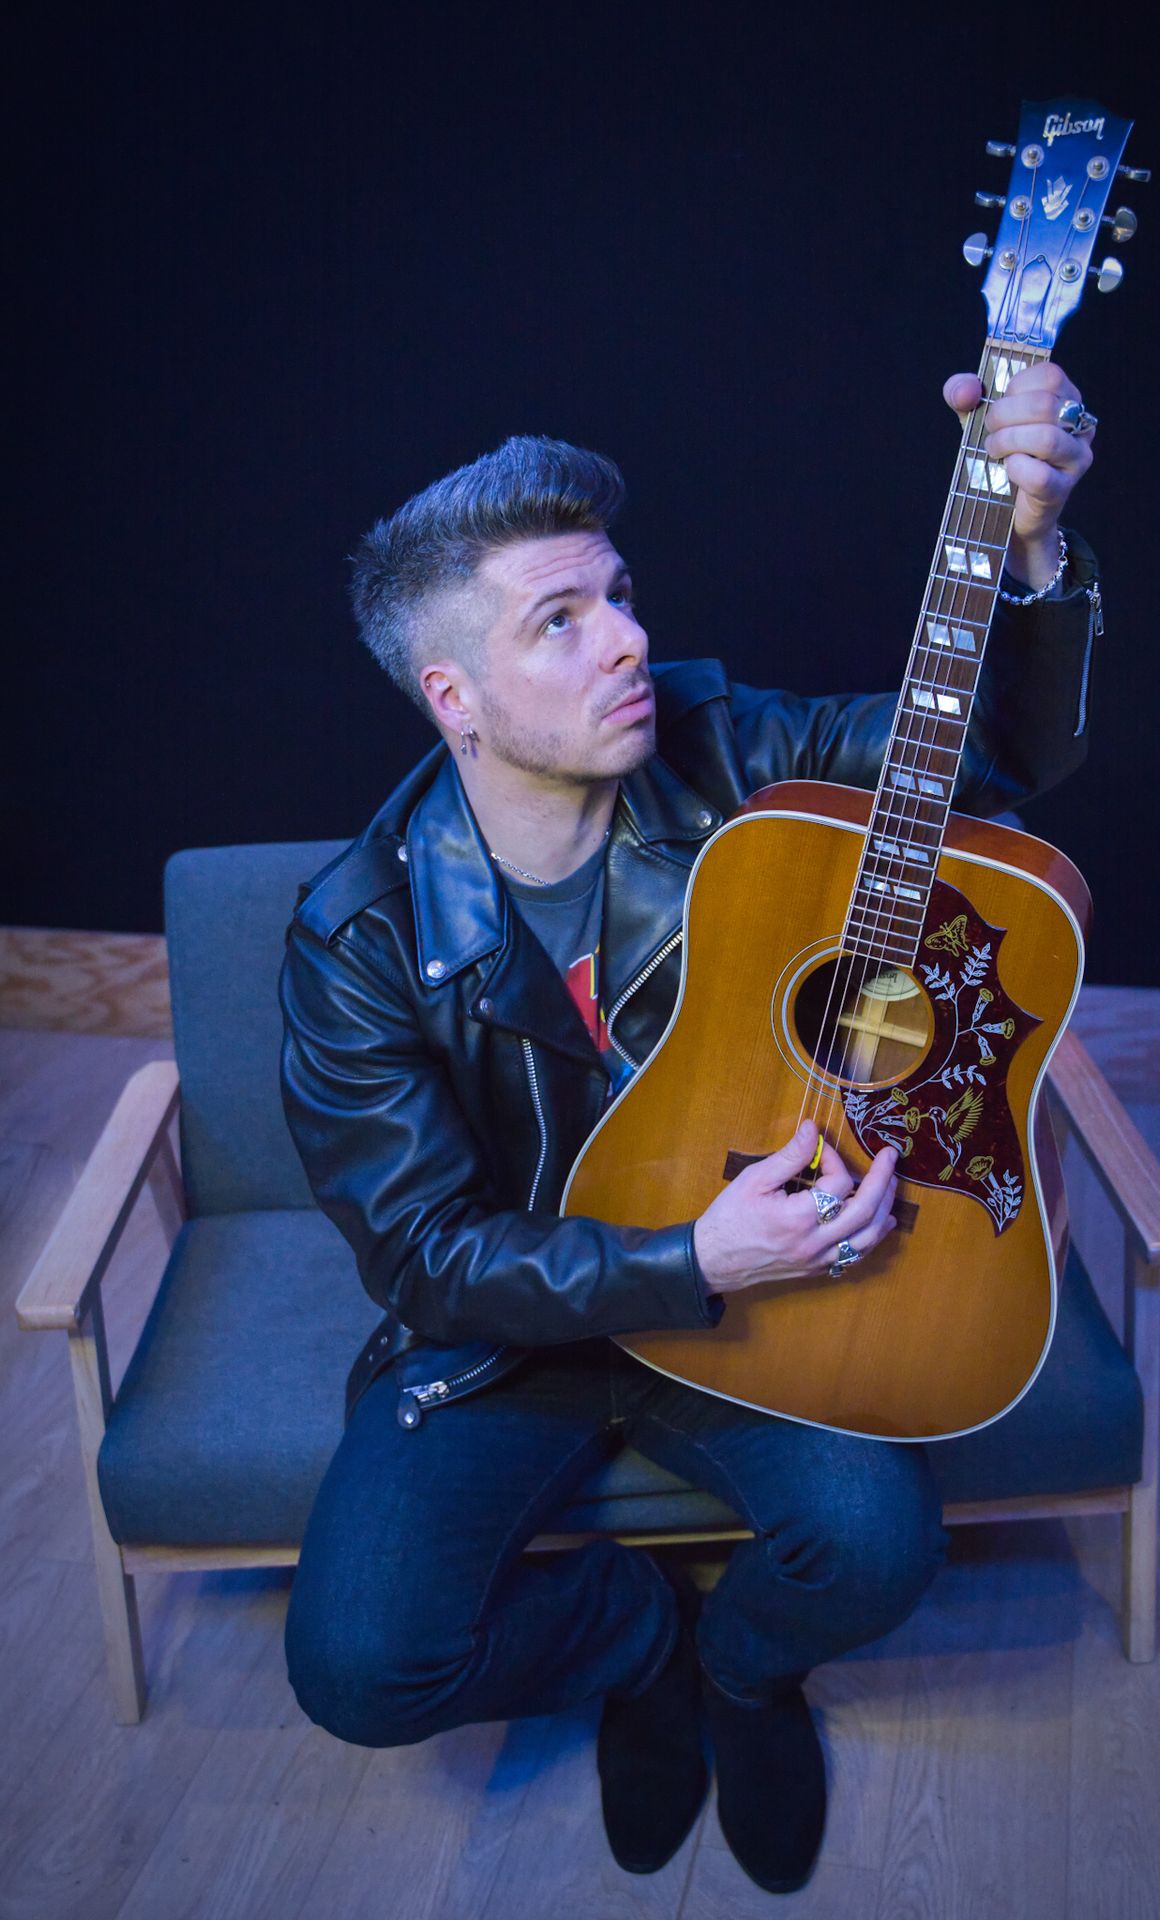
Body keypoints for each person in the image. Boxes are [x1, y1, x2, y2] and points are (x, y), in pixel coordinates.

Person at [279, 363, 1100, 1895]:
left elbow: (991, 773)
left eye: (621, 593)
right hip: (517, 1337)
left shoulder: (727, 748)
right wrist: (685, 1251)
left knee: (876, 1548)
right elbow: (426, 1258)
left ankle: (740, 1671)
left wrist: (1035, 547)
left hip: (758, 1298)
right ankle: (633, 1642)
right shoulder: (360, 937)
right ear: (451, 695)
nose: (631, 640)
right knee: (358, 1667)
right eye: (560, 620)